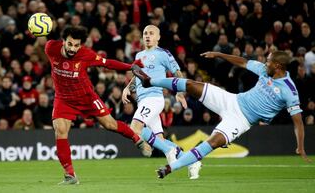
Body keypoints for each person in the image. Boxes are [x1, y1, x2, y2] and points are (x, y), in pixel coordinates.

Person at [131, 50, 311, 179]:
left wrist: (300, 147)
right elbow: (242, 62)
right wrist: (218, 54)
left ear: (278, 66)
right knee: (192, 85)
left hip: (241, 120)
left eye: (269, 61)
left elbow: (298, 122)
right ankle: (149, 81)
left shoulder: (289, 91)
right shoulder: (265, 70)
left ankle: (170, 168)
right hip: (231, 101)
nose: (266, 64)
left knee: (213, 142)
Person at [44, 26, 151, 185]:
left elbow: (107, 63)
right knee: (60, 130)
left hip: (86, 97)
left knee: (110, 124)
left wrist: (130, 67)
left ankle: (137, 139)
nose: (73, 48)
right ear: (63, 42)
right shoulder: (51, 48)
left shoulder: (85, 54)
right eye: (70, 44)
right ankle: (70, 175)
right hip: (64, 99)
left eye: (76, 45)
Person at [122, 25, 201, 180]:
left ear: (158, 37)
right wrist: (127, 88)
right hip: (143, 101)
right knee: (160, 140)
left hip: (154, 99)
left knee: (135, 128)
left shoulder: (163, 54)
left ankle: (169, 151)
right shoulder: (139, 54)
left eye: (151, 33)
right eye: (145, 33)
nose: (147, 36)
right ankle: (191, 161)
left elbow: (177, 71)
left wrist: (179, 91)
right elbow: (138, 75)